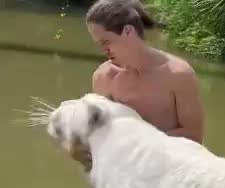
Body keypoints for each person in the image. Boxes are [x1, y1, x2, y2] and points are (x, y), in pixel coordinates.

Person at [72, 0, 205, 170]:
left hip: (171, 171)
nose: (102, 50)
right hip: (124, 173)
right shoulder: (103, 77)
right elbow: (101, 133)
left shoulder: (178, 74)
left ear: (128, 31)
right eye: (99, 44)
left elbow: (194, 136)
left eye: (106, 42)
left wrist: (137, 141)